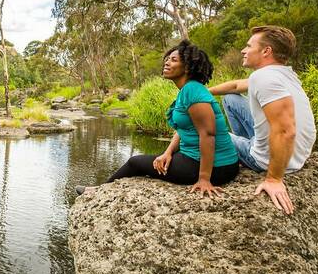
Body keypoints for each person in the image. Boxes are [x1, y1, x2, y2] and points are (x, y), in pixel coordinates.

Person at [76, 40, 239, 198]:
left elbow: (208, 134)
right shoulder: (187, 90)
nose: (167, 63)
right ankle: (102, 189)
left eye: (173, 60)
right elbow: (185, 129)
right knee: (155, 161)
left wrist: (204, 179)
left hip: (218, 167)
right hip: (199, 159)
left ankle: (99, 191)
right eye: (167, 59)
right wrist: (167, 152)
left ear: (188, 67)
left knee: (135, 163)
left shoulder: (193, 91)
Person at [209, 26, 316, 215]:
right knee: (231, 99)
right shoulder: (282, 73)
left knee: (206, 131)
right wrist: (200, 93)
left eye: (249, 46)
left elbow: (285, 131)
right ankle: (247, 150)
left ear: (266, 51)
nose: (243, 50)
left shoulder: (264, 78)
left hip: (273, 161)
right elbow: (235, 86)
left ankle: (249, 156)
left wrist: (274, 179)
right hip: (298, 155)